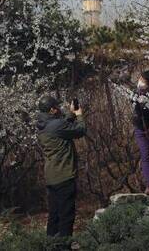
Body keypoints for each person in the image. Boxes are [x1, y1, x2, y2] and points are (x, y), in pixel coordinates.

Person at [36, 95, 86, 238]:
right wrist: (79, 115)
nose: (59, 109)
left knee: (54, 215)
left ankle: (50, 244)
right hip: (64, 176)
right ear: (52, 110)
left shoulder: (42, 125)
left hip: (52, 177)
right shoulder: (57, 125)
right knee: (66, 216)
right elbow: (80, 130)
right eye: (56, 107)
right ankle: (63, 246)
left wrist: (70, 114)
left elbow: (60, 127)